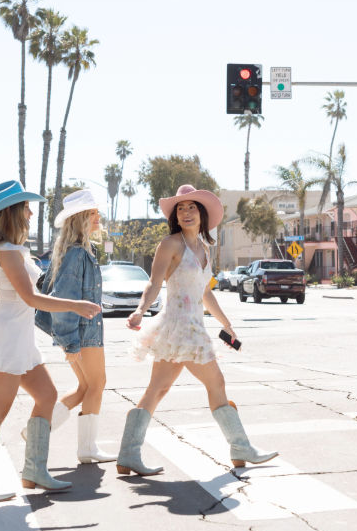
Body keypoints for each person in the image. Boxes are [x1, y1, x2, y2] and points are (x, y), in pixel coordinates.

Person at [116, 184, 278, 476]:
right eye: (181, 208)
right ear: (175, 216)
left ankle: (128, 454)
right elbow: (154, 282)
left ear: (202, 215)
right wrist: (140, 309)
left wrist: (226, 324)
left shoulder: (204, 249)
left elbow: (206, 293)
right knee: (216, 383)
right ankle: (240, 447)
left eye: (192, 207)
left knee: (158, 389)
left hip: (190, 327)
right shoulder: (171, 244)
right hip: (179, 326)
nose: (186, 212)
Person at [0, 180, 101, 503]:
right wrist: (74, 304)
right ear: (12, 212)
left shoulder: (13, 250)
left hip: (19, 339)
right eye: (25, 206)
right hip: (6, 340)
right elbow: (31, 297)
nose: (29, 211)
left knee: (47, 395)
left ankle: (35, 470)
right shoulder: (6, 252)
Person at [36, 189, 115, 463]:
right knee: (97, 384)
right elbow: (65, 298)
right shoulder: (77, 254)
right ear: (80, 218)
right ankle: (87, 449)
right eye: (93, 214)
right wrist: (70, 342)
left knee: (84, 388)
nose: (98, 218)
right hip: (83, 333)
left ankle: (36, 432)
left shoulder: (78, 251)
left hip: (81, 332)